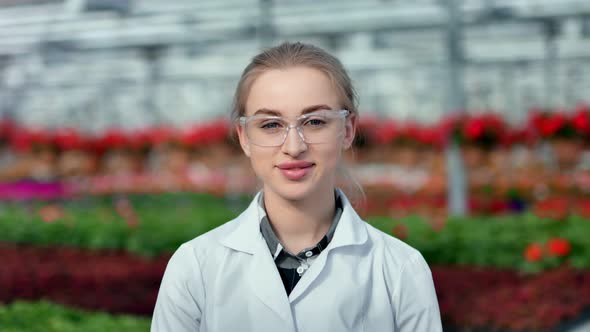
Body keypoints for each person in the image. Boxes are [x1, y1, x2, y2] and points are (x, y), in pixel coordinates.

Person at [151, 41, 442, 332]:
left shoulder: (401, 269)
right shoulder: (194, 267)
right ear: (244, 137)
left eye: (315, 121)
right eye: (270, 125)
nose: (294, 146)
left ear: (348, 130)